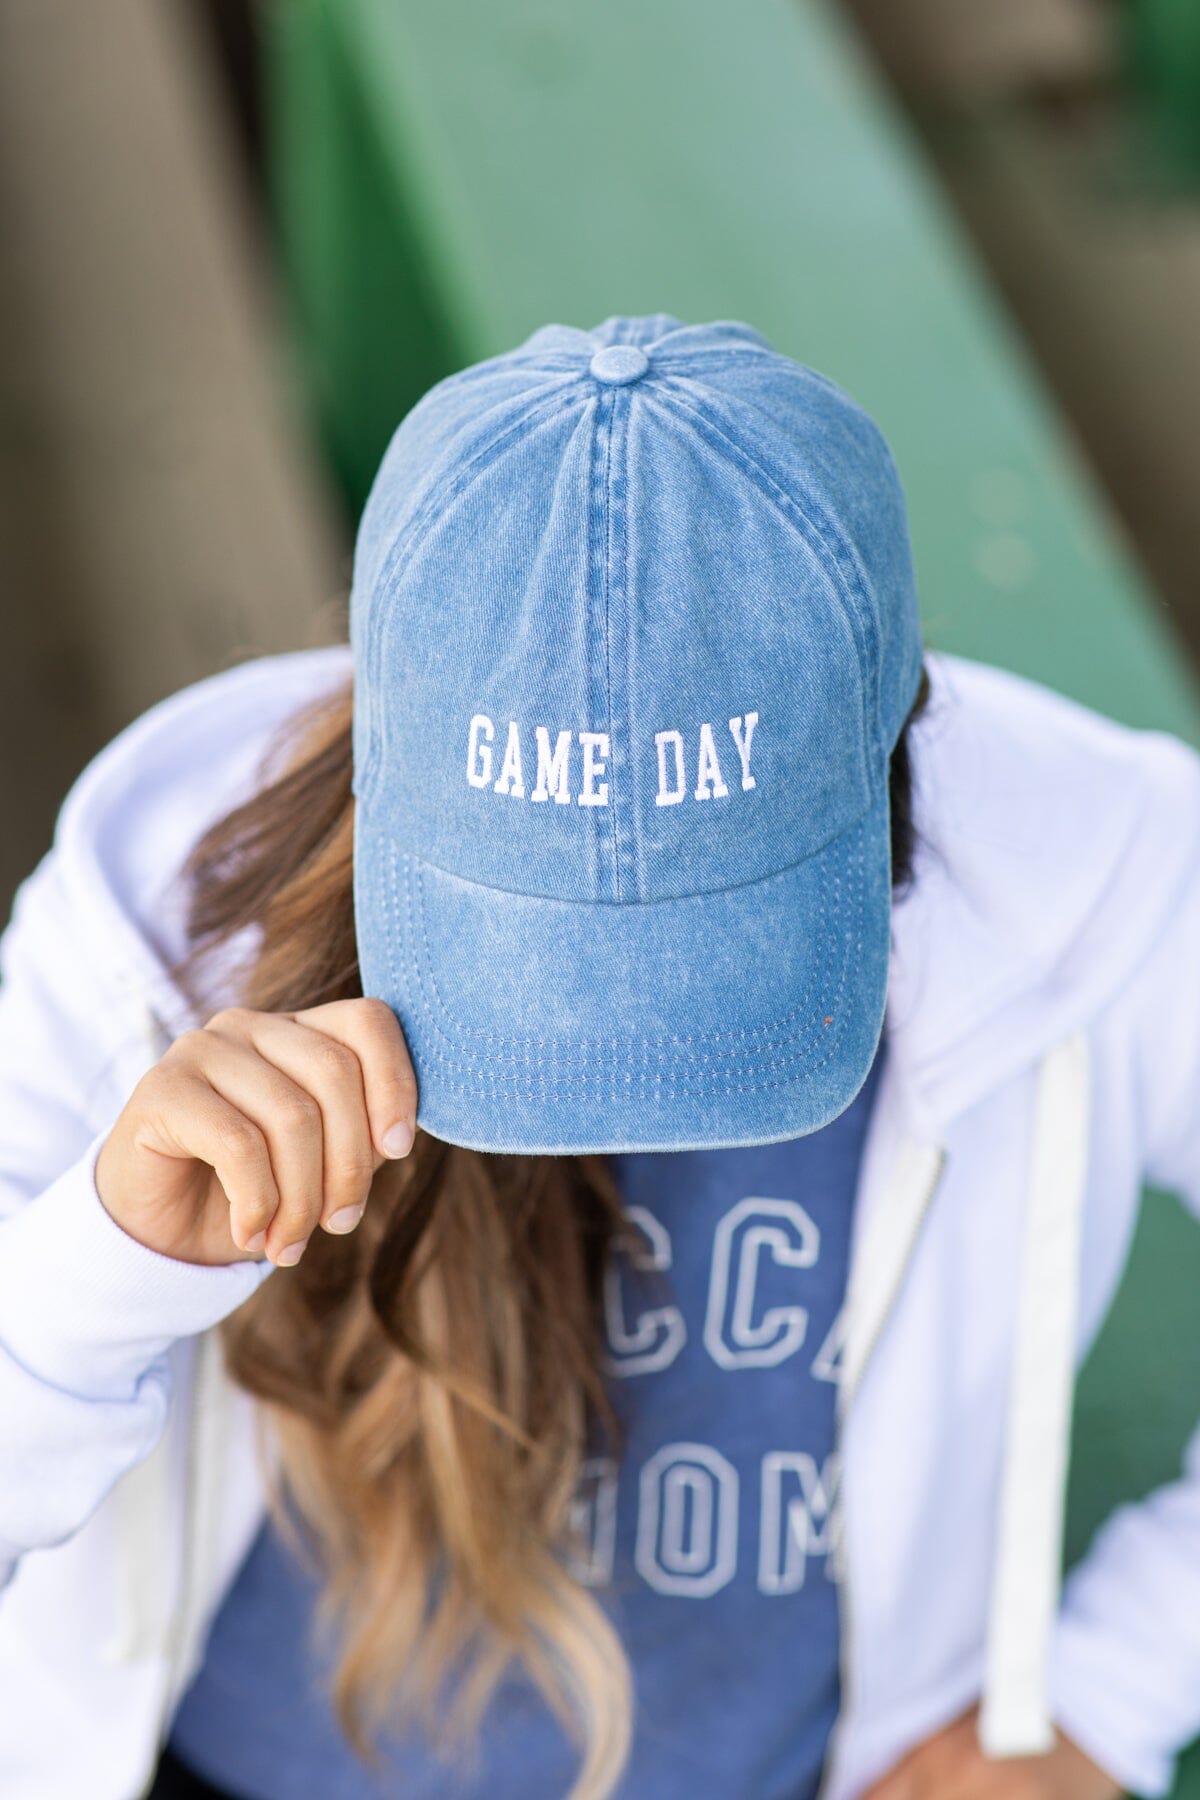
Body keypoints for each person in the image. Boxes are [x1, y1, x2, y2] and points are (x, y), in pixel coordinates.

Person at [1, 315, 1198, 1800]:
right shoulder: (145, 935)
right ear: (387, 748)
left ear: (894, 736)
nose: (619, 1051)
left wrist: (1108, 1693)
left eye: (712, 923)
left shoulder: (1092, 872)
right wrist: (98, 1265)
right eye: (539, 942)